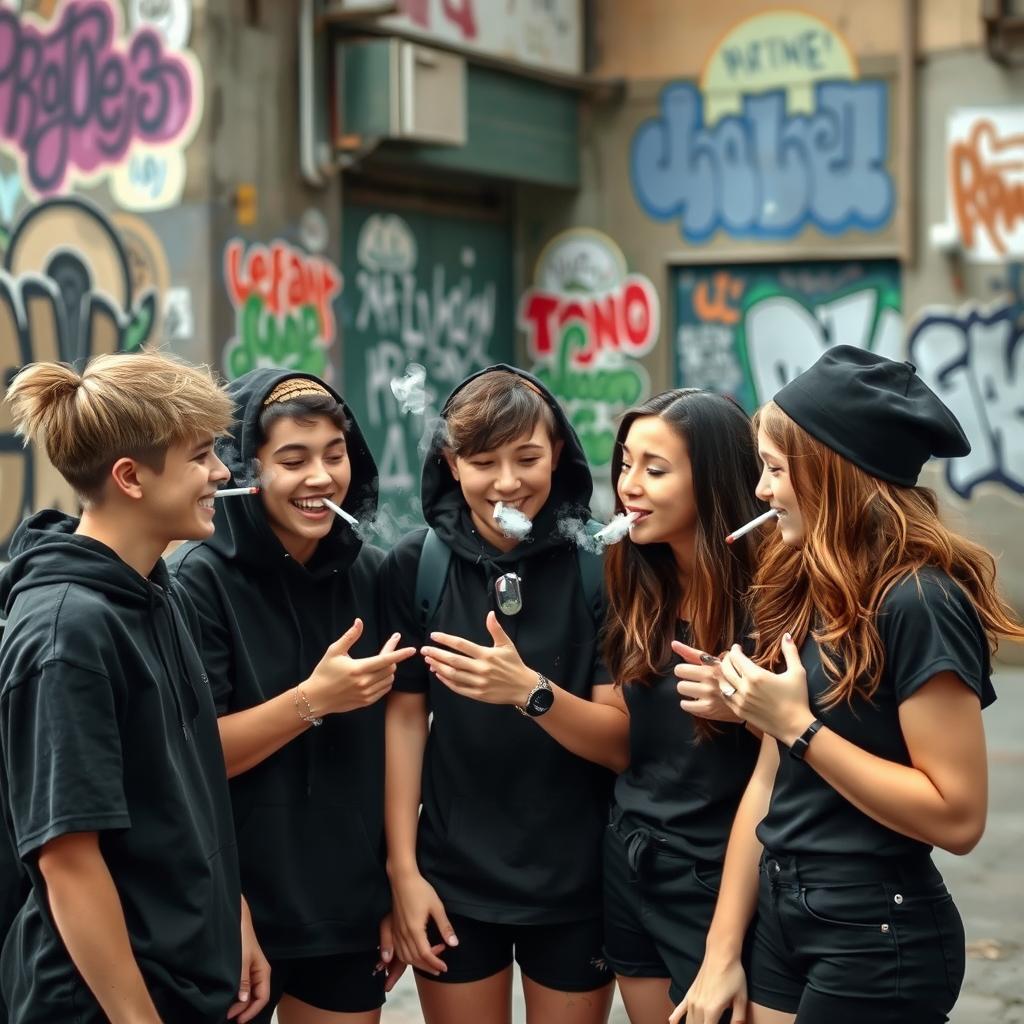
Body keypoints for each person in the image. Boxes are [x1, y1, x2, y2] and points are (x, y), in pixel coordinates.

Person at [673, 346, 1024, 1024]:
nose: (761, 491)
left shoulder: (919, 601)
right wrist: (722, 953)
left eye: (775, 469)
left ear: (833, 472)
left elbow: (958, 817)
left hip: (875, 932)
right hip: (782, 911)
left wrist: (799, 727)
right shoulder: (807, 585)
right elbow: (769, 785)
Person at [0, 352, 270, 1024]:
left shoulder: (153, 584)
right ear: (130, 477)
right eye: (201, 455)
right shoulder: (68, 634)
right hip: (104, 1005)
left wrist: (227, 911)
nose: (221, 474)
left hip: (190, 978)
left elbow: (183, 790)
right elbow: (67, 859)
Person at [170, 370, 415, 1024]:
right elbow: (194, 758)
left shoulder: (368, 571)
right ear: (245, 469)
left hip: (344, 903)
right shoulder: (198, 582)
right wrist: (311, 700)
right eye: (292, 460)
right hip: (235, 905)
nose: (320, 478)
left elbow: (400, 735)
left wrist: (395, 880)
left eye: (334, 455)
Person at [382, 366, 618, 1024]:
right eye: (483, 461)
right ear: (450, 465)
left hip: (576, 883)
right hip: (452, 877)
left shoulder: (600, 565)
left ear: (560, 456)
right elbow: (403, 722)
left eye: (528, 458)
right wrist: (404, 870)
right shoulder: (416, 565)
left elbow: (621, 741)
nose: (508, 482)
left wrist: (533, 692)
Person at [601, 389, 762, 1023]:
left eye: (655, 470)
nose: (628, 487)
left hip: (723, 877)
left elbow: (805, 752)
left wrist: (749, 708)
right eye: (624, 464)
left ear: (716, 482)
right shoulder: (637, 581)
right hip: (631, 859)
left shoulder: (774, 600)